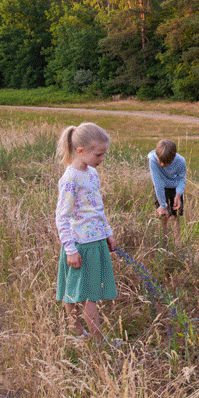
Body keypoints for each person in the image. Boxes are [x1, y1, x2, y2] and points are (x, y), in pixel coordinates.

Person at [55, 122, 118, 341]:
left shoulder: (91, 173)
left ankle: (85, 337)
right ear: (81, 151)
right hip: (80, 246)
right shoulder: (70, 179)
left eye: (104, 154)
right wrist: (70, 250)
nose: (102, 159)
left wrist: (107, 232)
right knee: (79, 294)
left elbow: (97, 207)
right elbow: (62, 217)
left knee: (87, 294)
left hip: (96, 242)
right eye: (98, 154)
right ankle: (94, 340)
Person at [147, 139, 187, 246]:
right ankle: (164, 244)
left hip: (175, 188)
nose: (162, 164)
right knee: (163, 216)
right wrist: (162, 205)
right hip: (161, 189)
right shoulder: (153, 160)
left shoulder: (180, 161)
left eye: (166, 163)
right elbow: (158, 184)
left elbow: (181, 179)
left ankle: (177, 245)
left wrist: (178, 194)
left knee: (175, 217)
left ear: (173, 159)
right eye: (160, 161)